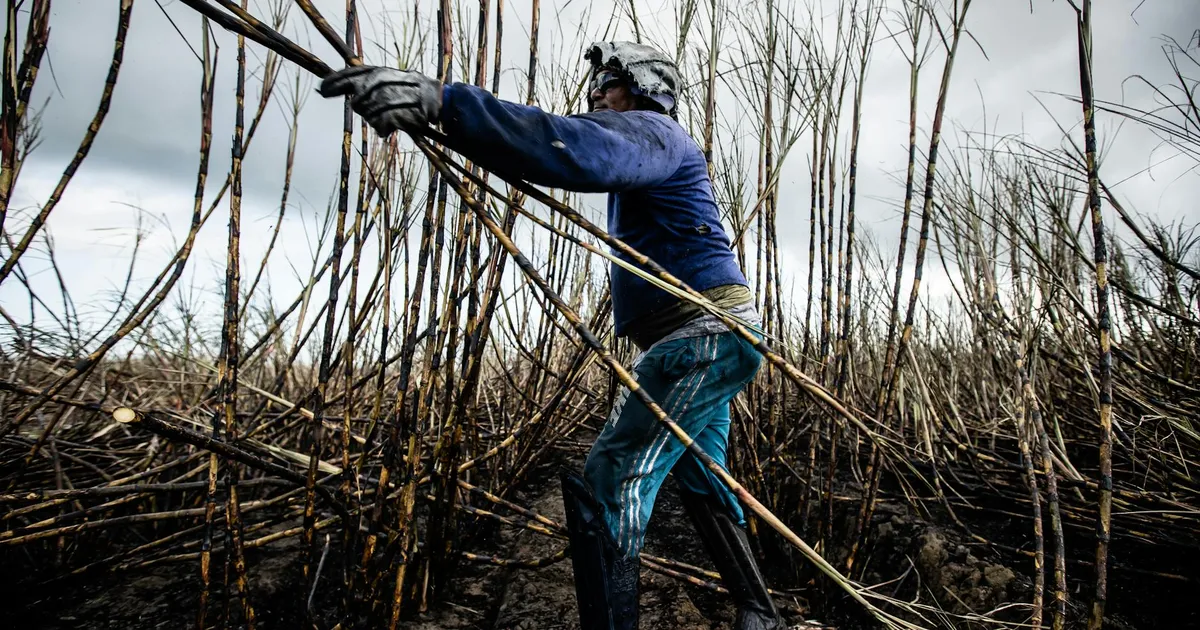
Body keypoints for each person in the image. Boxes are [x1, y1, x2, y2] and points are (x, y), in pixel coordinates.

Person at [319, 41, 785, 630]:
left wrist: (443, 102)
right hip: (709, 337)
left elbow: (572, 148)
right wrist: (461, 126)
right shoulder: (651, 147)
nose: (595, 92)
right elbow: (557, 148)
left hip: (704, 335)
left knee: (616, 472)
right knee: (699, 469)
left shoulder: (654, 132)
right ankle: (759, 612)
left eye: (609, 82)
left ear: (644, 90)